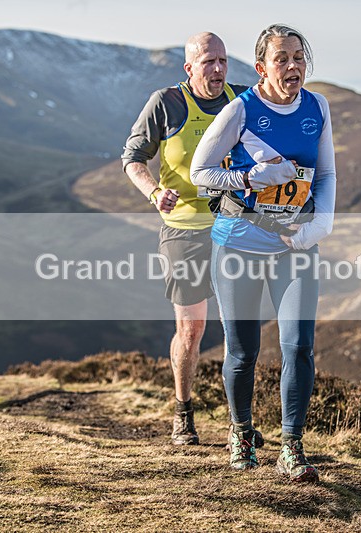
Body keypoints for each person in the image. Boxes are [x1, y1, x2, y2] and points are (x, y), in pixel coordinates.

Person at [191, 24, 336, 482]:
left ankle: (291, 446)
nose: (293, 67)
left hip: (295, 245)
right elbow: (201, 172)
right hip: (238, 243)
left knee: (300, 346)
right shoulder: (241, 109)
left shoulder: (317, 107)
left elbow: (327, 174)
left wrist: (320, 225)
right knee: (242, 352)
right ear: (261, 68)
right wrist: (250, 178)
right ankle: (241, 432)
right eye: (282, 59)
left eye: (299, 57)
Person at [121, 32, 252, 446]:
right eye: (208, 62)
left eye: (223, 61)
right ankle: (183, 411)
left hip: (234, 227)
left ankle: (240, 424)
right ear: (189, 67)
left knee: (238, 329)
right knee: (192, 328)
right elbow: (133, 158)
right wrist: (155, 193)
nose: (217, 69)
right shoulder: (167, 103)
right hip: (183, 228)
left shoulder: (243, 101)